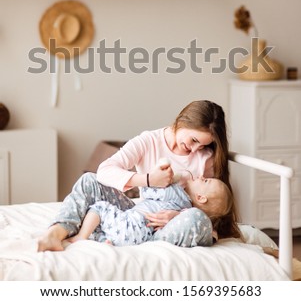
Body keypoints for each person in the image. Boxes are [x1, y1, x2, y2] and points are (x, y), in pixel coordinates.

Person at [38, 100, 240, 252]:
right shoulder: (148, 141)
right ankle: (57, 232)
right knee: (89, 180)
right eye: (194, 140)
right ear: (182, 121)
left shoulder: (205, 158)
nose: (196, 149)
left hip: (164, 230)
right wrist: (148, 180)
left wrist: (178, 216)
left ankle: (136, 243)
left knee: (195, 218)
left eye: (203, 145)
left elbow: (212, 206)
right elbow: (106, 170)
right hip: (142, 215)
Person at [68, 176, 233, 247]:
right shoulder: (185, 210)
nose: (200, 175)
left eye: (204, 180)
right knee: (91, 179)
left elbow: (146, 191)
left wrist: (168, 179)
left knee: (100, 207)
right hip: (141, 234)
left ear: (201, 197)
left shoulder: (177, 193)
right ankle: (105, 240)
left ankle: (81, 237)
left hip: (134, 221)